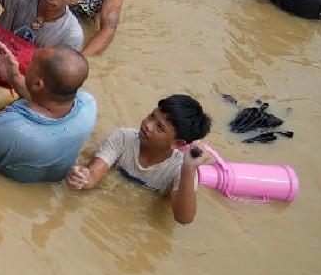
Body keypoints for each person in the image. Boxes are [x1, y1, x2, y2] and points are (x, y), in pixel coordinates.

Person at [0, 41, 97, 183]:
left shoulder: (9, 129)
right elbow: (48, 101)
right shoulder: (89, 104)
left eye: (31, 63)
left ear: (38, 84)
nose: (27, 65)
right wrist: (14, 77)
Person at [66, 95, 213, 225]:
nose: (148, 125)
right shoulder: (122, 138)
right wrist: (81, 177)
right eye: (151, 116)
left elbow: (184, 219)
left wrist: (189, 169)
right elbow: (93, 176)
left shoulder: (181, 169)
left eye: (159, 127)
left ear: (177, 143)